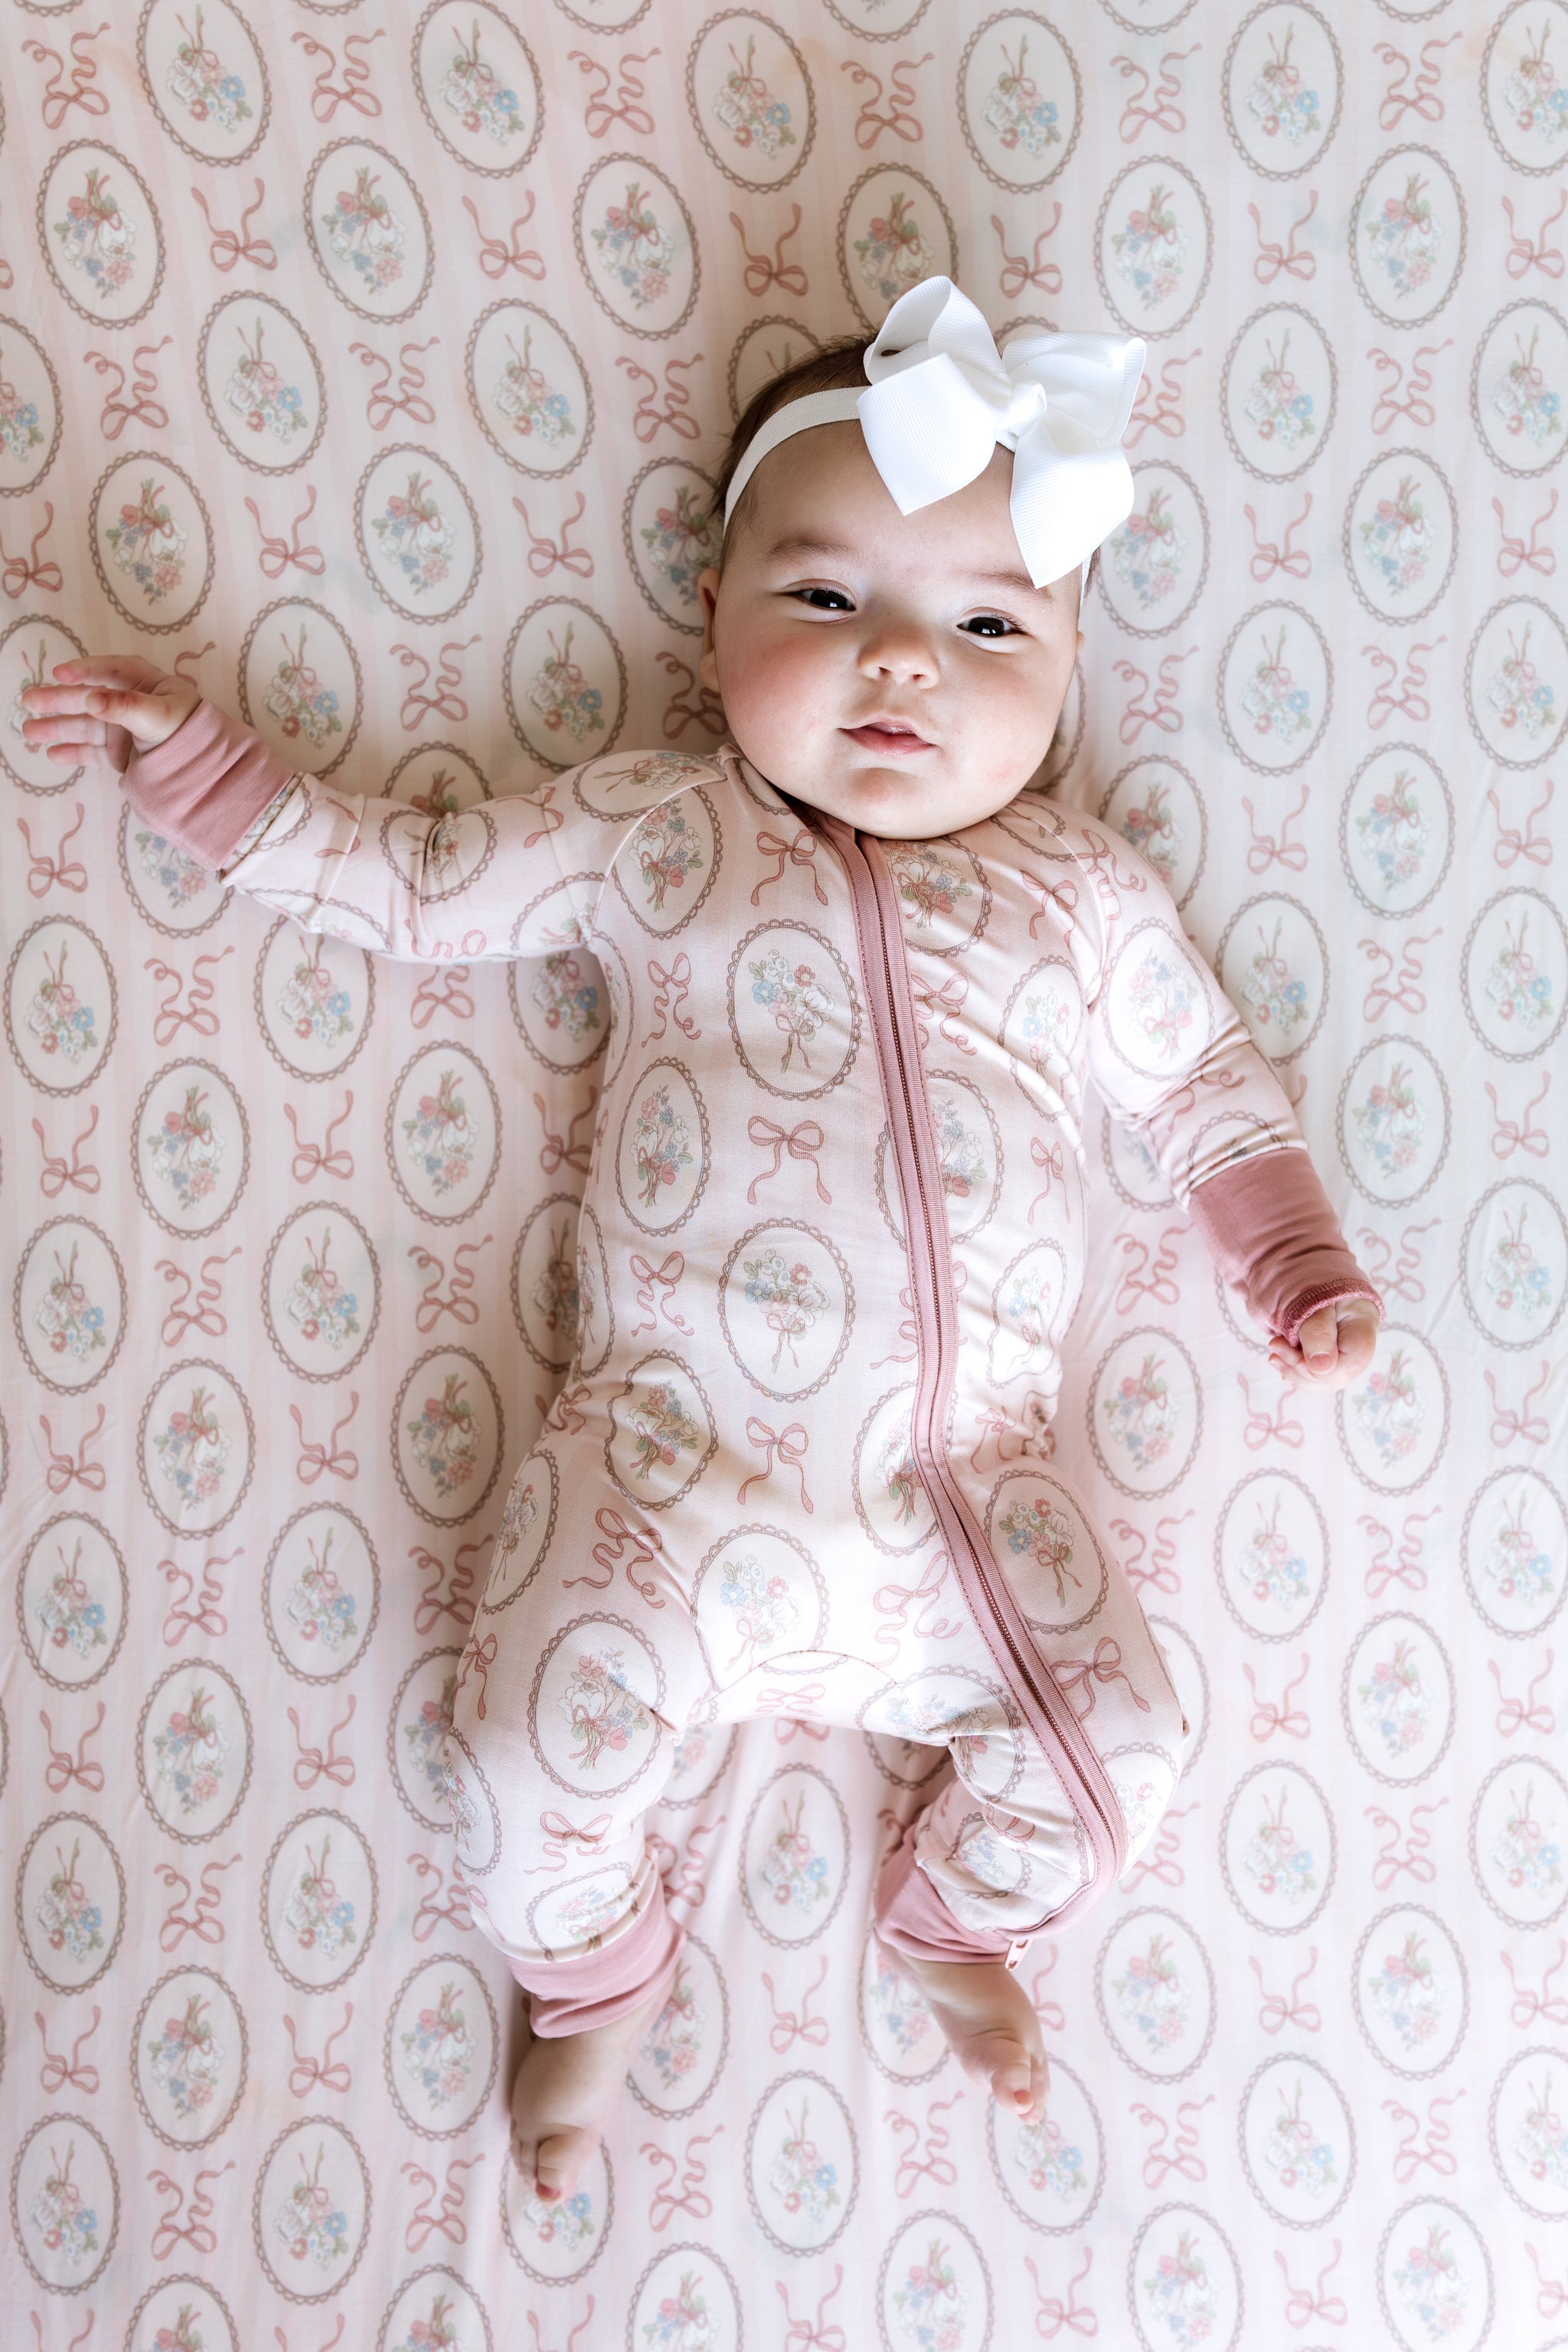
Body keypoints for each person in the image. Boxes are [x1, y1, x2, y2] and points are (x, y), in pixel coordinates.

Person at [24, 274, 1380, 2207]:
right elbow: (419, 883)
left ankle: (955, 1916)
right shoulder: (664, 832)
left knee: (1126, 1746)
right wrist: (211, 775)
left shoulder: (1077, 896)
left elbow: (1204, 1089)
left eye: (989, 625)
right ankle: (593, 1971)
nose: (899, 661)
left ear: (1070, 660)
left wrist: (1293, 1261)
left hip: (959, 1501)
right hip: (671, 1472)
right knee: (509, 1762)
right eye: (825, 599)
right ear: (713, 607)